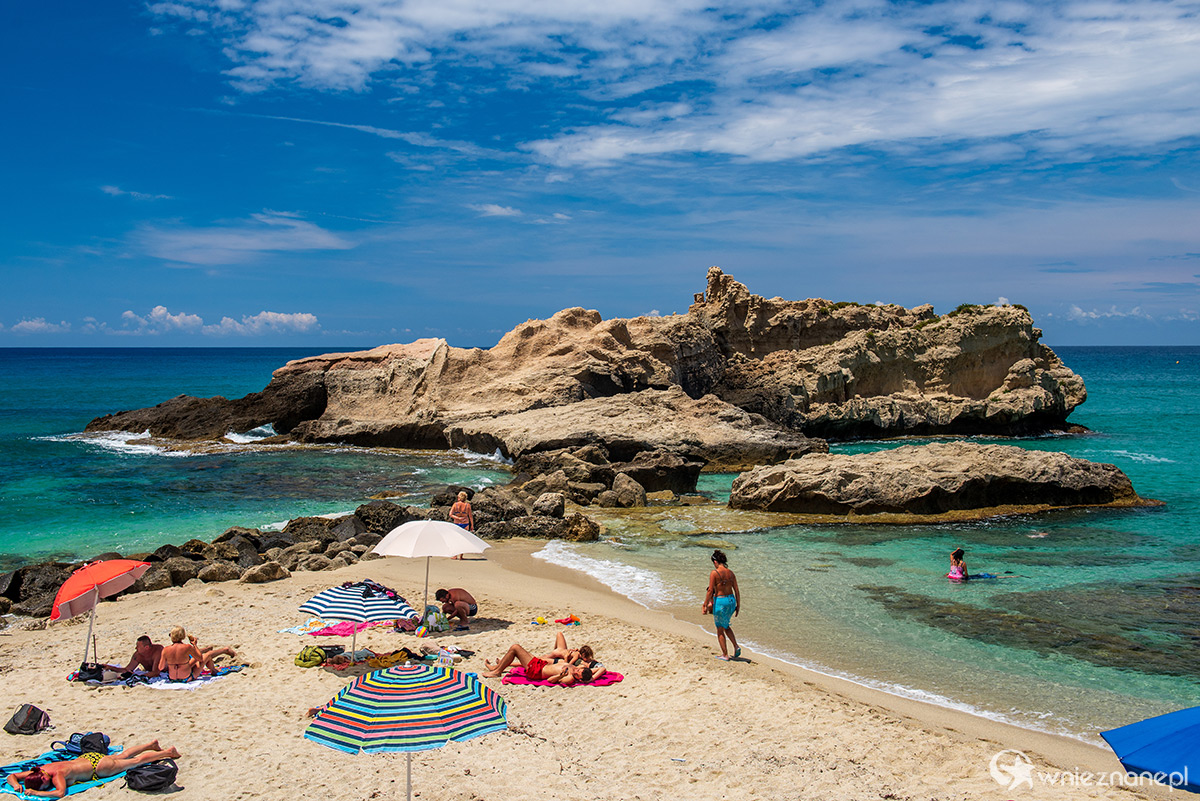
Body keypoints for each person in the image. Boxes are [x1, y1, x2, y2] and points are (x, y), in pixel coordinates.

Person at [5, 740, 180, 798]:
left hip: (99, 767)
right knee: (123, 755)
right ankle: (150, 744)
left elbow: (59, 793)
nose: (46, 786)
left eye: (44, 785)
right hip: (88, 758)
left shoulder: (56, 775)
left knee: (135, 762)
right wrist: (15, 785)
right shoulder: (40, 769)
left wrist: (36, 793)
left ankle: (166, 752)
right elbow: (12, 776)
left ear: (43, 779)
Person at [480, 643, 592, 685]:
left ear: (579, 679)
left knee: (515, 648)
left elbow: (550, 681)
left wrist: (561, 676)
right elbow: (594, 667)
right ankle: (496, 669)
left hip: (537, 671)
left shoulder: (570, 678)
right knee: (516, 649)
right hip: (541, 664)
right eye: (578, 671)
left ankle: (497, 672)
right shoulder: (579, 668)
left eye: (578, 674)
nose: (576, 672)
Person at [702, 549, 741, 661]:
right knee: (725, 625)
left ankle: (725, 654)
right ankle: (736, 646)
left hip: (721, 601)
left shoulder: (714, 573)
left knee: (719, 628)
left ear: (715, 562)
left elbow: (710, 590)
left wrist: (705, 604)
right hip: (731, 601)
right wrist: (738, 605)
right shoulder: (731, 573)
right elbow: (737, 591)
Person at [157, 626, 235, 681]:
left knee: (190, 659)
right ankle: (213, 670)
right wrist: (194, 645)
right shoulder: (187, 647)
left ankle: (219, 651)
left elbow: (160, 667)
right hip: (187, 678)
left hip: (172, 679)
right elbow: (200, 658)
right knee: (206, 655)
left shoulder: (165, 649)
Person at [449, 491, 475, 560]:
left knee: (455, 540)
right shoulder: (467, 505)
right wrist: (472, 525)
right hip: (465, 523)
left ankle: (455, 556)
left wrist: (458, 518)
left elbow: (450, 514)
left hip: (457, 523)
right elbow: (470, 516)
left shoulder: (455, 505)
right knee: (463, 540)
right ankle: (461, 556)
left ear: (459, 498)